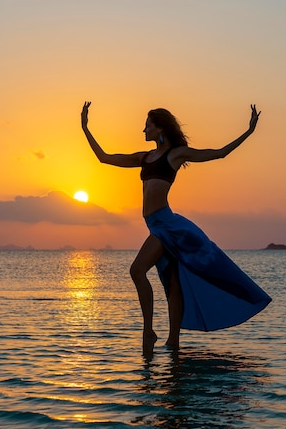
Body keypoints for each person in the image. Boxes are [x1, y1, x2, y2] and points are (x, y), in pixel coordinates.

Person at [81, 102, 271, 356]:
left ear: (160, 127)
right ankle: (174, 343)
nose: (143, 129)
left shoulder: (176, 154)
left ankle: (149, 331)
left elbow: (218, 153)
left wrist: (249, 132)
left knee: (137, 270)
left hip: (166, 226)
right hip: (156, 226)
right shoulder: (144, 158)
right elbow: (104, 158)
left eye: (147, 125)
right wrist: (85, 128)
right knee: (173, 284)